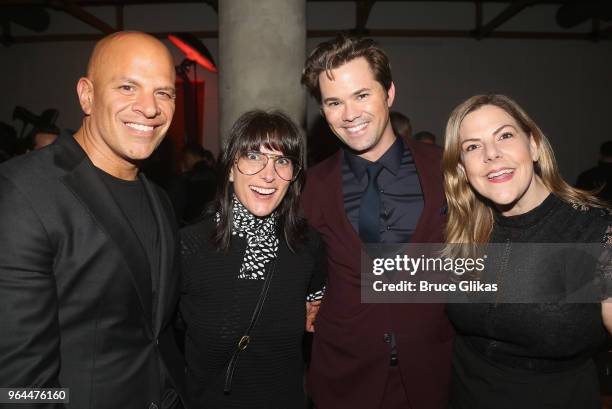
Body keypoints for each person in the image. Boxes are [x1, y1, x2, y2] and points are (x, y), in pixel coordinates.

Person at [0, 31, 187, 409]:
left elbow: (155, 326)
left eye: (164, 92)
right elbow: (19, 384)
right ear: (87, 95)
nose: (149, 108)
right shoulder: (23, 191)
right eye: (128, 87)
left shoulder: (160, 198)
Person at [300, 34, 452, 409]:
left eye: (362, 95)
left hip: (436, 377)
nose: (350, 114)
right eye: (334, 102)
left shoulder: (448, 169)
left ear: (389, 93)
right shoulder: (311, 186)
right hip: (344, 381)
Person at [442, 93, 612, 409]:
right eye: (473, 146)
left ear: (533, 145)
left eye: (505, 135)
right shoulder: (459, 231)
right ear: (463, 169)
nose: (491, 154)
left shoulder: (597, 231)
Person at [179, 110, 326, 409]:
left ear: (294, 176)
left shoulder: (309, 245)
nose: (268, 174)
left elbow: (317, 324)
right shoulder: (189, 245)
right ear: (230, 168)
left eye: (282, 161)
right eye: (253, 156)